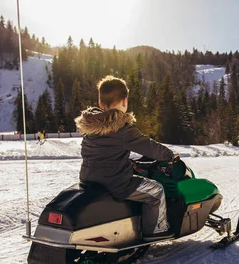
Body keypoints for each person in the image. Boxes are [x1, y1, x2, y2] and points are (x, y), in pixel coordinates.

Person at [75, 76, 177, 242]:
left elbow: (105, 154)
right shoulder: (120, 127)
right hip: (115, 184)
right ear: (125, 100)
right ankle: (156, 230)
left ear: (101, 104)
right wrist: (169, 155)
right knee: (157, 191)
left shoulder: (90, 125)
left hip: (88, 179)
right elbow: (148, 146)